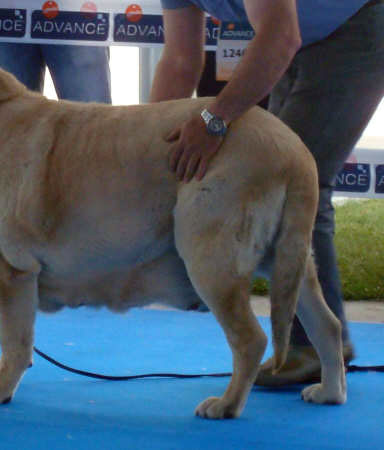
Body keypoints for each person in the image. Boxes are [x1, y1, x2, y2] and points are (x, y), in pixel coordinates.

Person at [151, 0, 384, 385]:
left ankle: (311, 346)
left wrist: (213, 121)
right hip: (301, 39)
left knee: (289, 188)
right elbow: (179, 61)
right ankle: (321, 343)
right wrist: (147, 150)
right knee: (285, 189)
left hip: (354, 27)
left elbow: (281, 36)